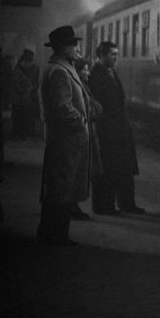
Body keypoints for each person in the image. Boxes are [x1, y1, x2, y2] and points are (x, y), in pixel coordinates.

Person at [37, 26, 90, 246]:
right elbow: (62, 107)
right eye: (73, 44)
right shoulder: (59, 70)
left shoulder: (60, 66)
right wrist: (81, 121)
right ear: (62, 48)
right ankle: (56, 236)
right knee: (61, 189)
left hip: (63, 139)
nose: (77, 48)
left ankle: (52, 233)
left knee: (59, 187)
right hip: (66, 139)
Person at [88, 41, 146, 215]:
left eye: (116, 54)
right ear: (101, 55)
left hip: (118, 129)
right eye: (112, 54)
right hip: (108, 131)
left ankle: (126, 204)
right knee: (108, 170)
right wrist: (109, 125)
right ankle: (104, 206)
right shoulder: (96, 75)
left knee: (121, 169)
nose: (115, 57)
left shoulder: (110, 72)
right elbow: (98, 105)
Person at [70, 57, 100, 220]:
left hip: (86, 132)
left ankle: (74, 204)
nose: (88, 72)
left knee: (81, 172)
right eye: (85, 70)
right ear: (78, 71)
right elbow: (90, 108)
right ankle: (72, 205)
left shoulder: (83, 86)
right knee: (76, 171)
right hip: (81, 133)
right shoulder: (79, 87)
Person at [10, 48, 40, 138]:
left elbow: (36, 83)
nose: (28, 64)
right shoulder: (17, 70)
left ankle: (27, 133)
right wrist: (26, 91)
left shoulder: (33, 68)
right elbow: (16, 84)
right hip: (20, 99)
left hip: (29, 98)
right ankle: (20, 133)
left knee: (27, 116)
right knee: (20, 116)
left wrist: (31, 89)